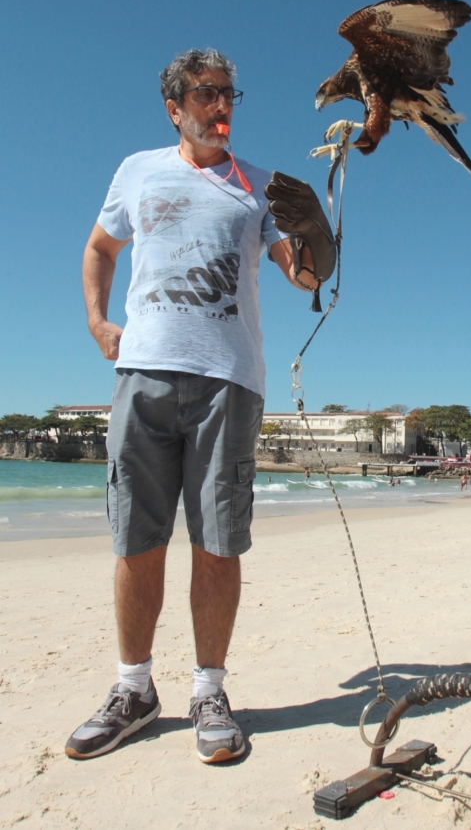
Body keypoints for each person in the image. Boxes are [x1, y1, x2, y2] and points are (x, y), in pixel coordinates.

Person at [66, 49, 335, 764]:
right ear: (174, 107)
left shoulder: (257, 188)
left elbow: (301, 272)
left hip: (229, 380)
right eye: (206, 94)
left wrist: (320, 235)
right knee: (136, 537)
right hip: (143, 376)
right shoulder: (136, 170)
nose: (222, 107)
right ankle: (133, 690)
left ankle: (209, 691)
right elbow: (99, 248)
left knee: (218, 542)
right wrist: (97, 323)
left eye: (229, 94)